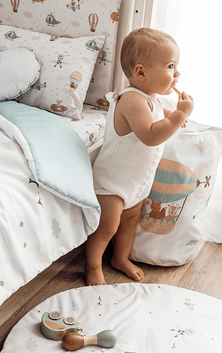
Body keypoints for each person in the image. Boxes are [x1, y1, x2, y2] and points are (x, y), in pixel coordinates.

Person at [85, 28, 194, 286]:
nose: (176, 73)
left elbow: (159, 114)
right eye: (170, 66)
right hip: (113, 183)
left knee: (129, 221)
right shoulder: (132, 100)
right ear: (141, 72)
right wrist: (180, 115)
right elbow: (151, 135)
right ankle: (92, 267)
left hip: (135, 182)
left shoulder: (151, 98)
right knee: (107, 228)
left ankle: (119, 258)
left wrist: (172, 115)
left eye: (176, 66)